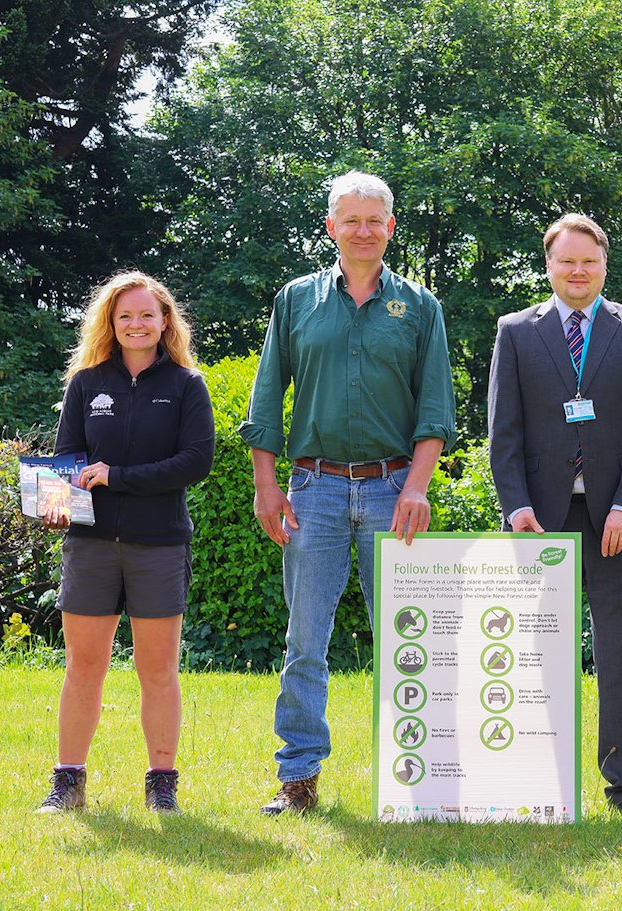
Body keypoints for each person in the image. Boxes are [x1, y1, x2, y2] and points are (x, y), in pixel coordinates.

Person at [240, 170, 456, 816]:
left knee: (407, 637)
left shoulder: (419, 307)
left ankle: (421, 781)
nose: (363, 230)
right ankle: (299, 778)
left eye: (375, 220)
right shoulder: (295, 300)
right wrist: (266, 484)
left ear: (391, 228)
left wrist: (417, 487)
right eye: (350, 219)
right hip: (314, 491)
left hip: (394, 491)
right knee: (306, 639)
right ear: (331, 227)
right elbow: (265, 401)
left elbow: (436, 408)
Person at [487, 213, 622, 816]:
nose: (578, 271)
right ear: (548, 265)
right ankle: (542, 779)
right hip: (540, 521)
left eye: (588, 262)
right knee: (537, 654)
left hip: (619, 521)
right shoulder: (515, 332)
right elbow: (503, 433)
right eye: (567, 261)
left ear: (604, 266)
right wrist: (514, 508)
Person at [36, 271, 215, 815]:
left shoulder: (187, 385)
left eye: (146, 315)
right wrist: (54, 502)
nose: (136, 325)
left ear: (165, 322)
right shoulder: (86, 384)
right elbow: (67, 457)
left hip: (158, 545)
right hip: (90, 546)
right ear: (110, 325)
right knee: (82, 666)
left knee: (157, 670)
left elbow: (195, 463)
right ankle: (67, 782)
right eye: (125, 316)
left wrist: (118, 476)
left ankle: (162, 783)